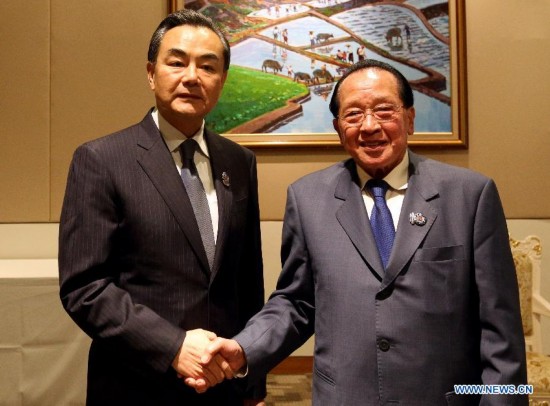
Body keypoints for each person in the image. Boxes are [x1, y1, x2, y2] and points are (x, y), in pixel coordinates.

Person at [194, 59, 529, 404]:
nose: (369, 126)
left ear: (410, 119)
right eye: (353, 115)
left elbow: (501, 332)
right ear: (339, 129)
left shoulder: (470, 196)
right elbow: (297, 302)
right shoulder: (308, 198)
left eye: (384, 111)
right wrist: (244, 348)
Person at [58, 9, 266, 406]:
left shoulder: (240, 163)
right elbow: (85, 288)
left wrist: (250, 382)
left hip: (221, 386)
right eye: (177, 62)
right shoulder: (101, 160)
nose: (192, 76)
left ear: (221, 81)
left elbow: (247, 281)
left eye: (208, 66)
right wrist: (173, 346)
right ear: (152, 73)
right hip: (135, 383)